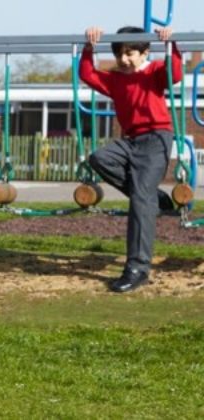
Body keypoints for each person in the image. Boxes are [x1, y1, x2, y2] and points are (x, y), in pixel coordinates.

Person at [80, 26, 181, 293]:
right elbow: (87, 74)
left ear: (145, 52)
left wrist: (171, 45)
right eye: (119, 54)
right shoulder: (115, 79)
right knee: (100, 158)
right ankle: (154, 198)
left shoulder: (155, 71)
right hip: (131, 140)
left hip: (157, 138)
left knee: (139, 201)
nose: (124, 59)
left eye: (130, 53)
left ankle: (137, 268)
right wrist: (90, 47)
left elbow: (176, 73)